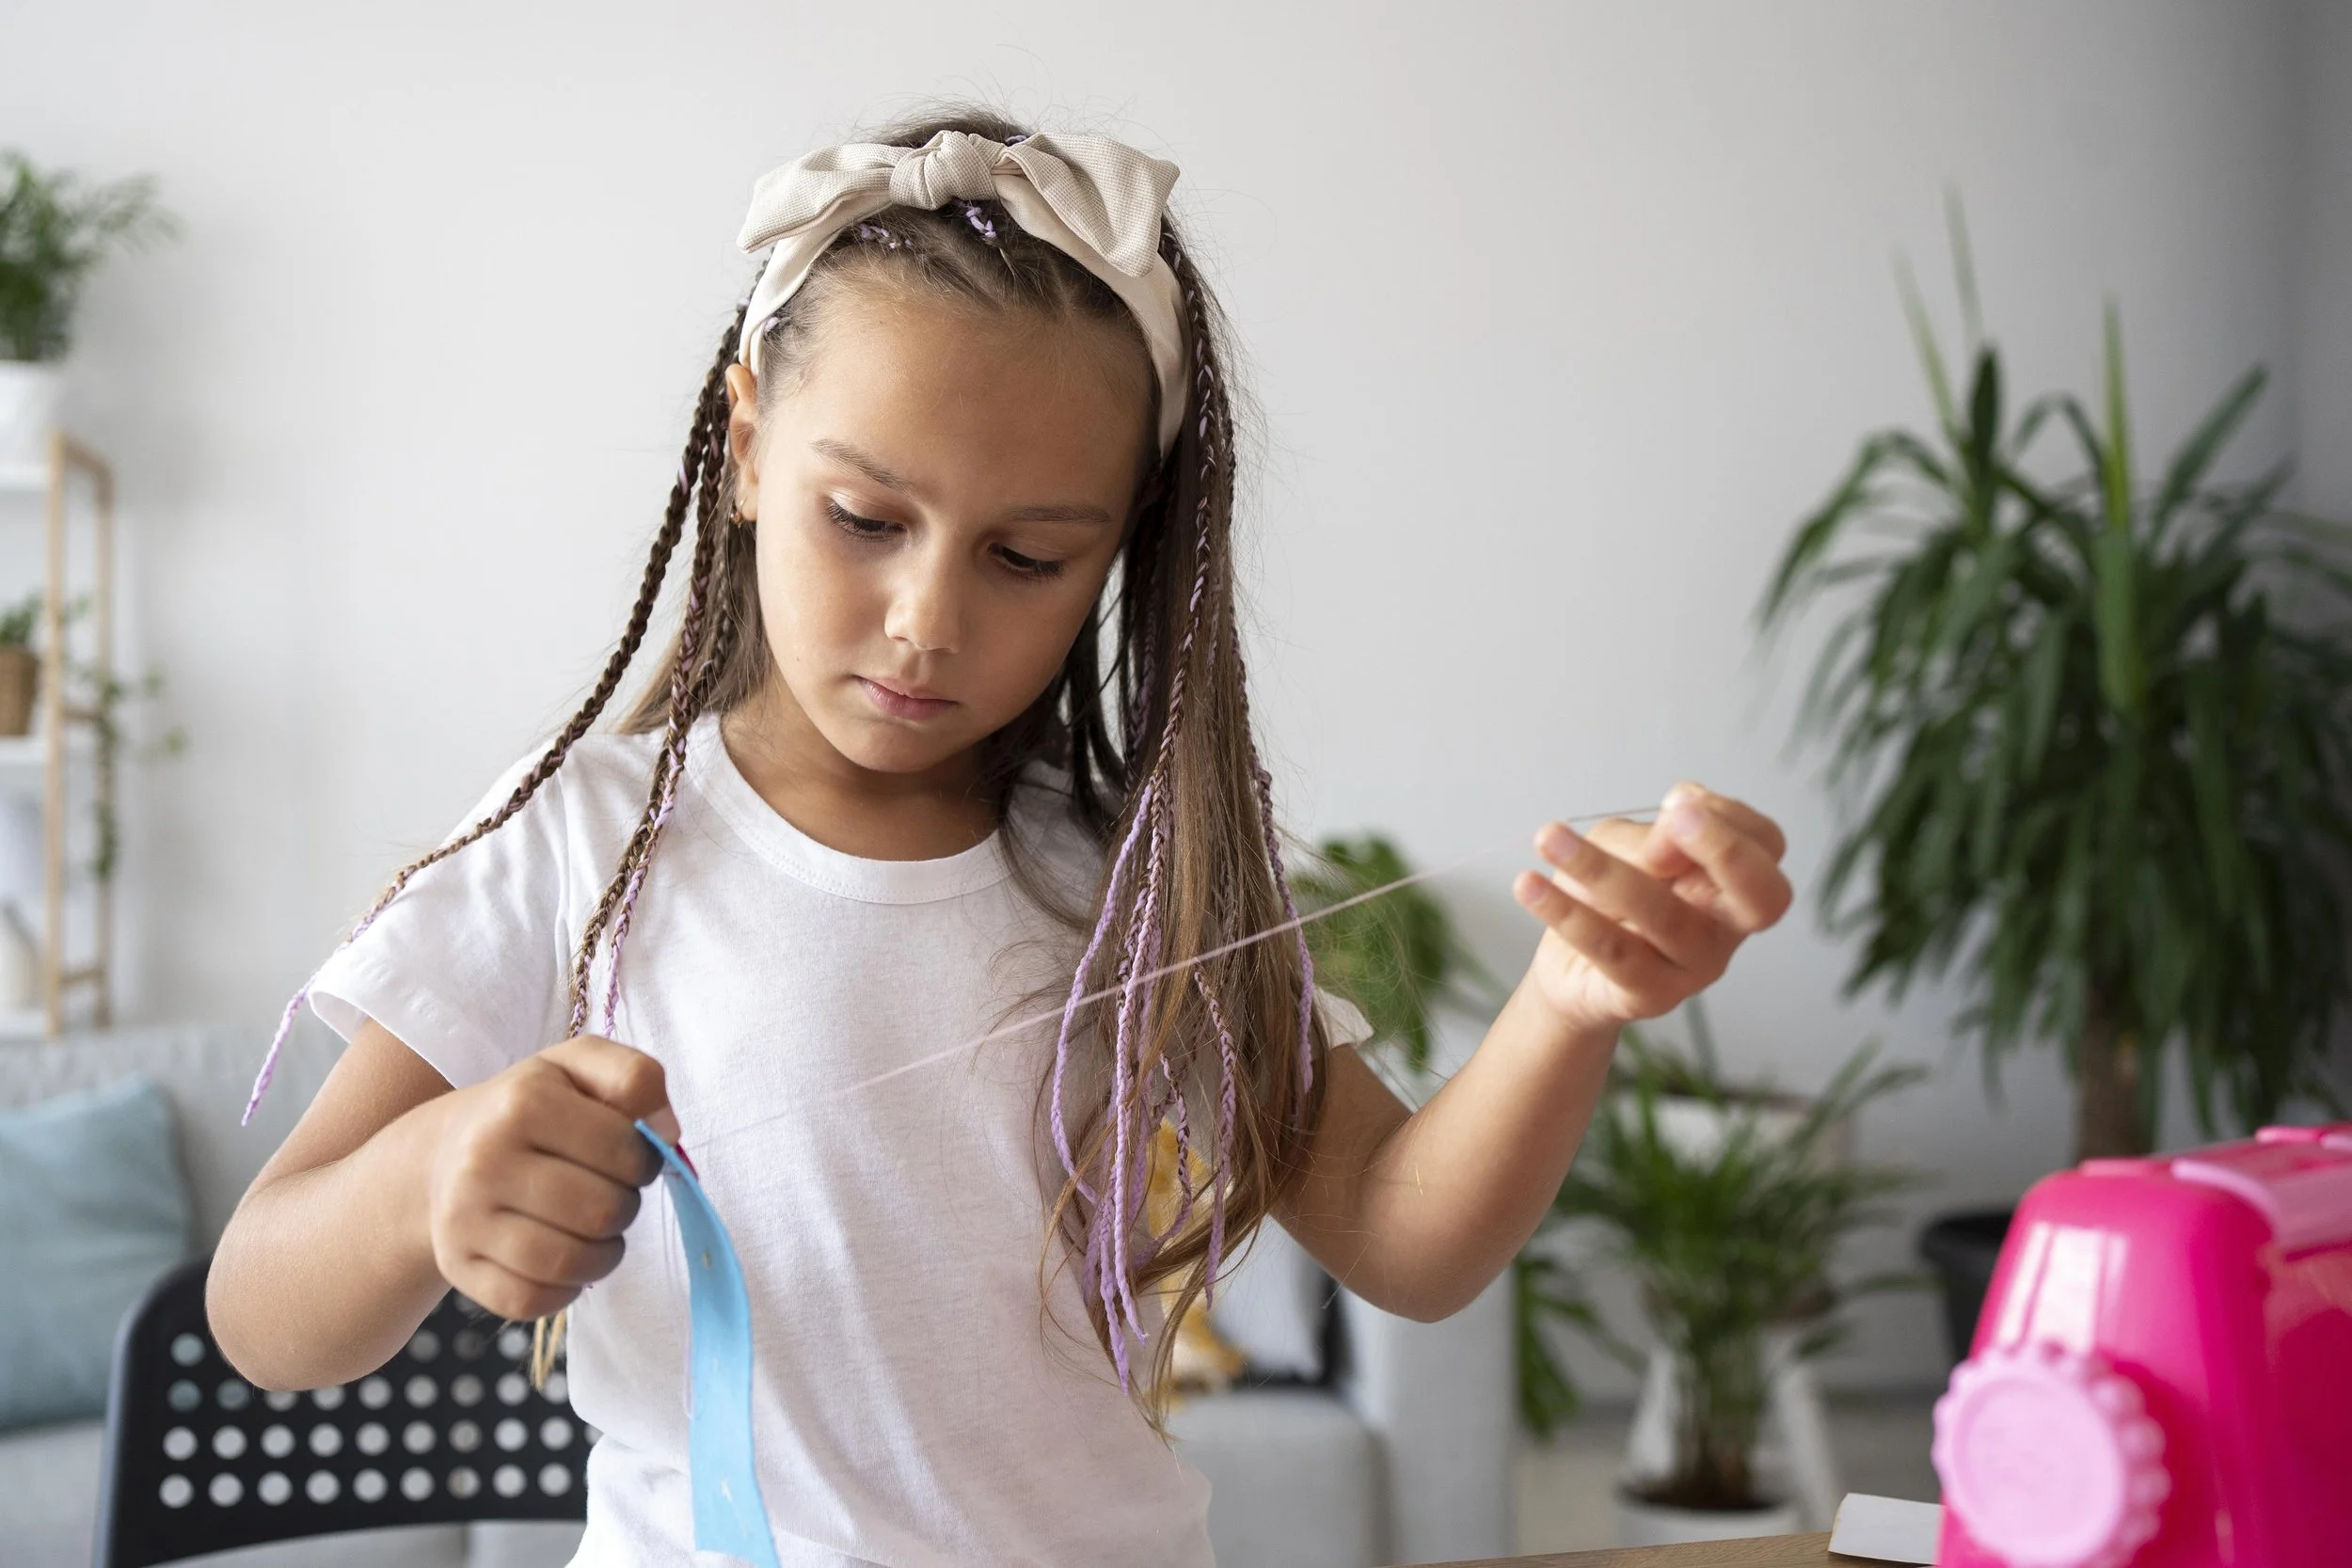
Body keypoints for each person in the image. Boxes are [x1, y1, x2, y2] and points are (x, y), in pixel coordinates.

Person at [206, 105, 1792, 1567]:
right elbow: (263, 1313)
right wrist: (424, 1177)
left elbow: (1407, 1239)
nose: (924, 622)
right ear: (749, 444)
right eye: (867, 521)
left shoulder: (1124, 878)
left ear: (1120, 556)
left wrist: (1573, 1005)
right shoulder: (586, 842)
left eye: (1028, 556)